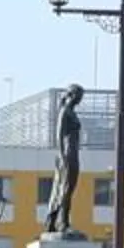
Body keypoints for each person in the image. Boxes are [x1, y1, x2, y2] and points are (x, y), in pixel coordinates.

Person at [42, 86, 85, 236]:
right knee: (64, 189)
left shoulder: (71, 112)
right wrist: (63, 156)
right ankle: (62, 222)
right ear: (72, 95)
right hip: (66, 154)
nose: (80, 99)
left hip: (73, 153)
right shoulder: (64, 112)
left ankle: (58, 221)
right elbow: (59, 136)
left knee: (68, 189)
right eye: (79, 95)